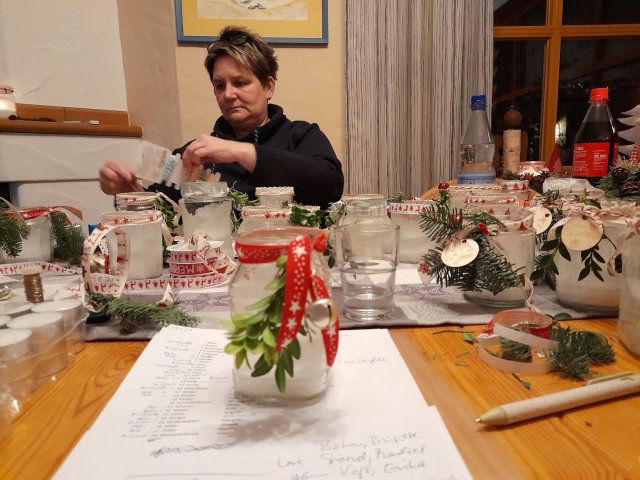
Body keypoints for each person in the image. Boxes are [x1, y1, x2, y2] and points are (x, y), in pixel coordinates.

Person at [99, 25, 343, 209]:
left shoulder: (302, 136)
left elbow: (330, 185)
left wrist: (241, 152)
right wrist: (130, 193)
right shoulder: (193, 155)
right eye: (219, 85)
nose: (228, 94)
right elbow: (164, 215)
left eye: (240, 82)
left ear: (268, 87)